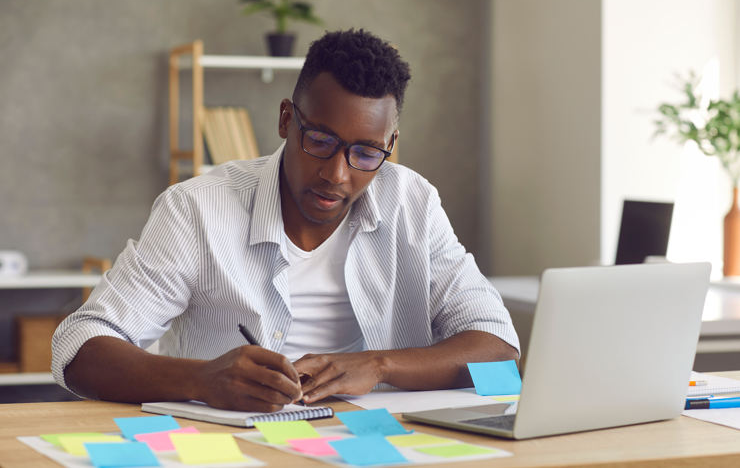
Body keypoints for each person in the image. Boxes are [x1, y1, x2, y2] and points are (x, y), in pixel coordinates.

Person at [52, 29, 520, 413]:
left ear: (389, 145)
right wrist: (202, 378)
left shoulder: (412, 204)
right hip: (231, 449)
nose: (337, 175)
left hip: (376, 444)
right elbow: (77, 347)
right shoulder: (197, 209)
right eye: (319, 140)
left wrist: (377, 366)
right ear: (285, 119)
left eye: (365, 153)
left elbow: (500, 351)